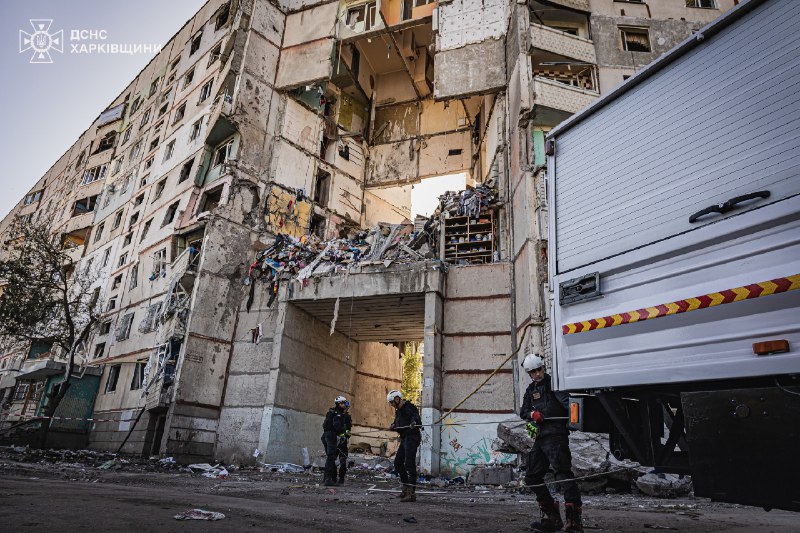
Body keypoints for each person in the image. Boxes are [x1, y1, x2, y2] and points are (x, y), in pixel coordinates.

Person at [520, 353, 583, 532]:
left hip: (556, 436)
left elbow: (570, 405)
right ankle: (552, 518)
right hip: (540, 438)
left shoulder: (554, 385)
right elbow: (523, 411)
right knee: (532, 476)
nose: (537, 374)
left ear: (543, 368)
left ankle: (574, 521)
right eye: (533, 372)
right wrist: (533, 415)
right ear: (529, 374)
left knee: (562, 474)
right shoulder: (530, 390)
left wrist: (573, 422)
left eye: (539, 370)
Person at [387, 390, 421, 503]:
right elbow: (398, 423)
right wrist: (393, 426)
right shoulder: (399, 411)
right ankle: (406, 488)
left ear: (397, 399)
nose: (391, 405)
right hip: (405, 438)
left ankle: (411, 493)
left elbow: (416, 417)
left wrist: (414, 422)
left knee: (409, 464)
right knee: (398, 463)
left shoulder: (409, 407)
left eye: (392, 402)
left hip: (412, 437)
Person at [322, 395, 352, 486]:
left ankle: (331, 479)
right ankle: (328, 479)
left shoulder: (332, 412)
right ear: (339, 404)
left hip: (330, 437)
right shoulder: (338, 414)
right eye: (343, 403)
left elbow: (324, 425)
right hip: (333, 437)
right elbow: (337, 426)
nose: (344, 407)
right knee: (331, 457)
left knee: (332, 458)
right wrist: (344, 432)